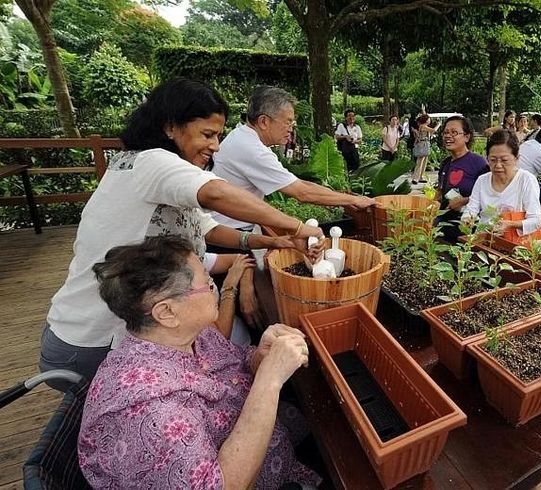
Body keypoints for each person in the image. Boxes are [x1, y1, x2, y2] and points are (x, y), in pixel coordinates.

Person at [39, 78, 324, 388]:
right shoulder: (151, 162)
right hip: (92, 341)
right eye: (207, 134)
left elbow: (210, 228)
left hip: (89, 333)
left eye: (218, 135)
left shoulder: (145, 168)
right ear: (170, 127)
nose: (215, 145)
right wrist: (296, 226)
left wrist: (272, 240)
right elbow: (215, 193)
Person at [78, 236, 320, 489]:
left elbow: (234, 364)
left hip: (275, 450)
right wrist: (270, 381)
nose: (213, 288)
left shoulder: (190, 335)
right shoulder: (153, 411)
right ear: (167, 312)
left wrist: (260, 357)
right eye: (207, 283)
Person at [211, 86, 374, 233]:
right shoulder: (252, 149)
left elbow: (296, 182)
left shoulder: (243, 136)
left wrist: (342, 198)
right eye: (288, 122)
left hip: (226, 227)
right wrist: (353, 199)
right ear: (263, 121)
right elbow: (302, 192)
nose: (291, 129)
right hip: (228, 232)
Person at [462, 129, 541, 244]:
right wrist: (467, 219)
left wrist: (510, 224)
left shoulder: (526, 180)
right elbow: (471, 209)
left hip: (517, 246)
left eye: (504, 160)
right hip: (485, 241)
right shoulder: (482, 180)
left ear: (516, 159)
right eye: (493, 160)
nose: (498, 165)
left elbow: (535, 221)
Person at [434, 115, 489, 242]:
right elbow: (440, 191)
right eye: (446, 132)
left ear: (467, 136)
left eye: (454, 132)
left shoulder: (478, 163)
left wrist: (464, 201)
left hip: (467, 228)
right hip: (443, 225)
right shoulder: (445, 163)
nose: (448, 136)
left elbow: (489, 195)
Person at [411, 114, 437, 183]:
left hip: (426, 144)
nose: (430, 120)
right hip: (422, 144)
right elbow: (433, 130)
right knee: (420, 161)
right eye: (428, 119)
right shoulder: (423, 126)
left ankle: (421, 177)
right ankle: (415, 178)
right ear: (426, 120)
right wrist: (439, 124)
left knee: (424, 161)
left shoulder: (424, 126)